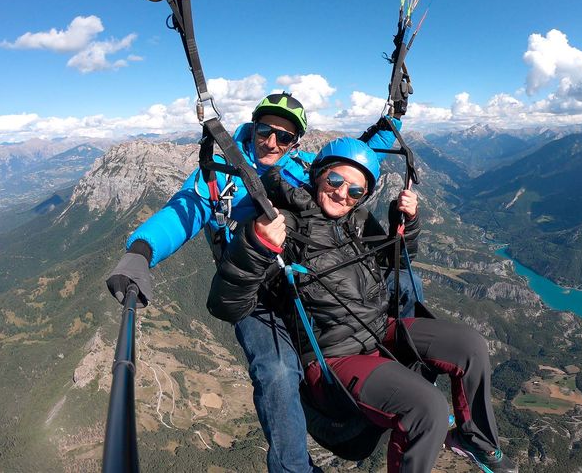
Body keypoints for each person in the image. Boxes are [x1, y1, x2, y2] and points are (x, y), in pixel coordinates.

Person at [105, 93, 418, 473]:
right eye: (265, 132)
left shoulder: (295, 169)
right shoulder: (223, 173)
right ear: (253, 129)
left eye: (283, 138)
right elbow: (183, 211)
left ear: (295, 143)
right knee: (277, 371)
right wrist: (141, 252)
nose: (272, 143)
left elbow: (347, 168)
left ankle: (404, 367)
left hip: (290, 283)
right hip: (249, 291)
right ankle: (292, 468)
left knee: (400, 283)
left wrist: (393, 122)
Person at [208, 138, 517, 473]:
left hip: (378, 328)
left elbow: (394, 263)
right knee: (428, 407)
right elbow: (227, 304)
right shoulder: (285, 225)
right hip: (335, 355)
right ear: (318, 178)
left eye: (356, 191)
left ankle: (475, 439)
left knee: (469, 344)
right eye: (335, 182)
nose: (343, 195)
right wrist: (256, 246)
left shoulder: (356, 220)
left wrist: (405, 223)